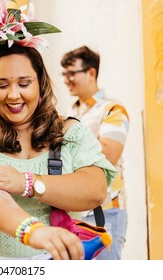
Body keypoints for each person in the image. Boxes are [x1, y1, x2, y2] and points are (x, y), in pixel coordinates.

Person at [0, 0, 117, 260]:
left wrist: (26, 182)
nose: (14, 95)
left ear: (40, 84)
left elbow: (95, 189)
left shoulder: (70, 131)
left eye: (24, 83)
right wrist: (33, 232)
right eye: (2, 84)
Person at [61, 46, 130, 260]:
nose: (66, 79)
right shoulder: (70, 113)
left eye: (72, 73)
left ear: (91, 73)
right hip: (74, 213)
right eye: (64, 74)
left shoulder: (112, 109)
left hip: (106, 211)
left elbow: (108, 155)